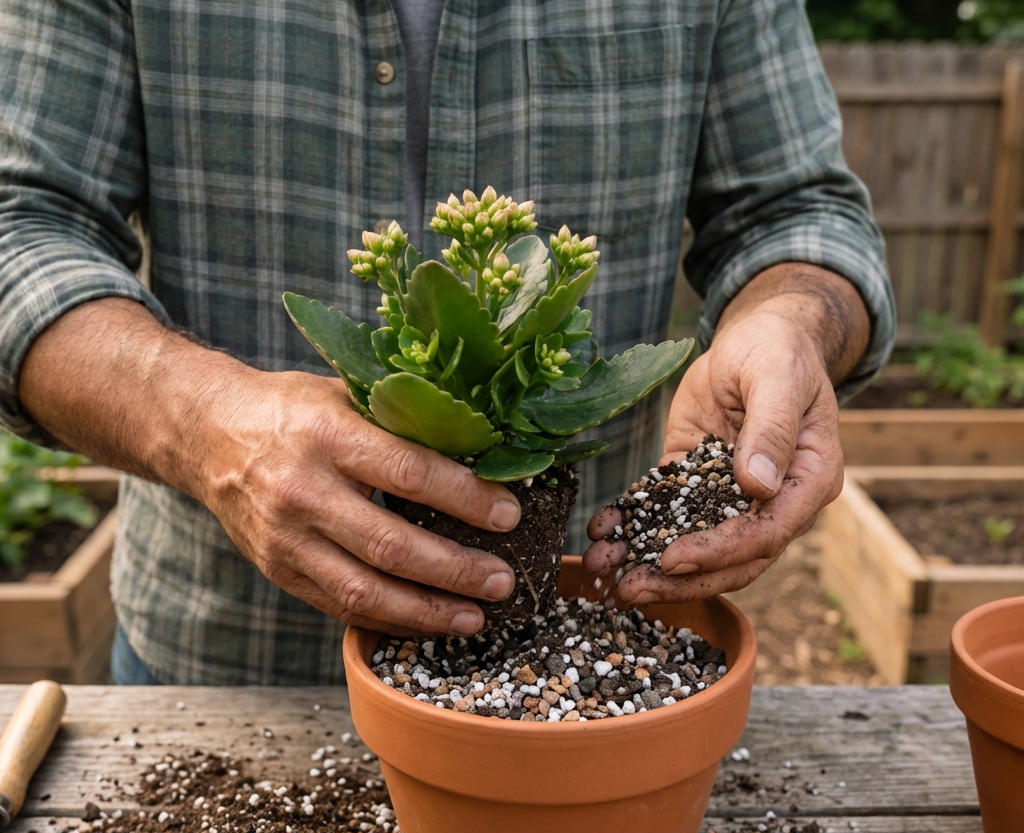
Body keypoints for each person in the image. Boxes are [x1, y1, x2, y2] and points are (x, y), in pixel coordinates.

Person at [0, 0, 895, 686]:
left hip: (581, 647)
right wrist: (201, 420)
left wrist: (791, 322)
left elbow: (797, 211)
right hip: (226, 670)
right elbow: (20, 225)